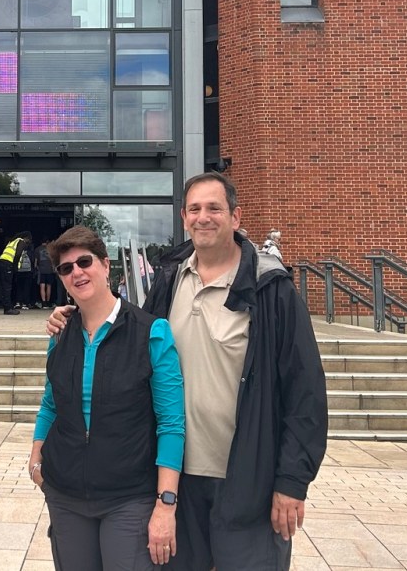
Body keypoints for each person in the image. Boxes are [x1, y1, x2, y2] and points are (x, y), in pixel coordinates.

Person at [48, 172, 328, 571]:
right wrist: (76, 316)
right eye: (194, 209)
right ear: (183, 217)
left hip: (248, 479)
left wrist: (292, 480)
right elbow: (130, 339)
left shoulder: (271, 288)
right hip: (177, 480)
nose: (203, 217)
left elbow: (305, 390)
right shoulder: (170, 278)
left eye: (214, 208)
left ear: (235, 217)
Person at [29, 225, 185, 569]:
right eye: (66, 268)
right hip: (66, 495)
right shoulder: (60, 334)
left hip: (128, 497)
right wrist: (36, 459)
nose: (76, 272)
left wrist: (166, 503)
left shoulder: (151, 332)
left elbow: (171, 423)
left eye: (84, 262)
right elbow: (51, 403)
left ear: (105, 265)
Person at [0, 231, 30, 314]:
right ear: (26, 238)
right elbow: (18, 254)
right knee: (7, 286)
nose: (29, 242)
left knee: (4, 286)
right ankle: (8, 309)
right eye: (29, 240)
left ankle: (7, 306)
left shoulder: (13, 241)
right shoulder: (21, 241)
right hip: (8, 263)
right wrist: (15, 267)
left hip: (2, 262)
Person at [36, 239, 58, 308]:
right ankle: (48, 302)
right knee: (49, 286)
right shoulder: (50, 249)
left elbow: (35, 262)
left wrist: (37, 268)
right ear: (47, 241)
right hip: (49, 270)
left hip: (41, 270)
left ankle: (44, 303)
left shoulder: (37, 249)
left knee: (42, 286)